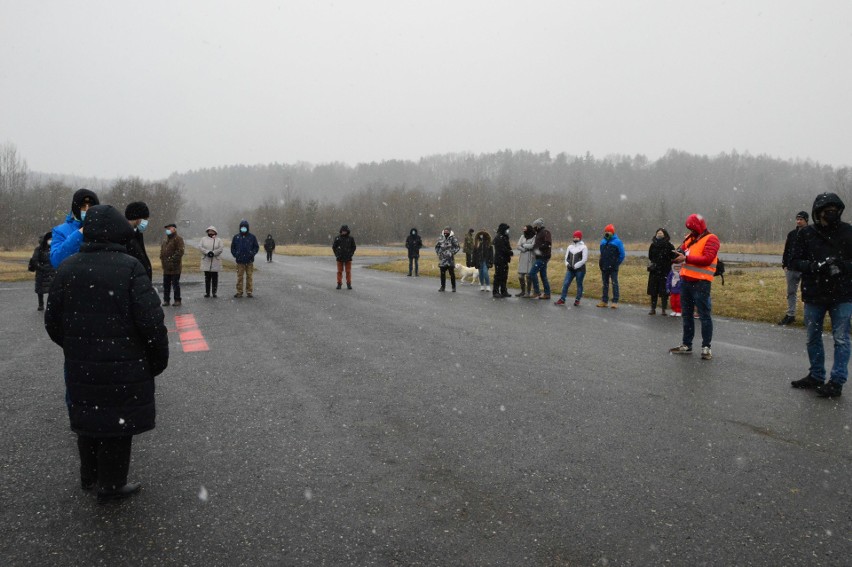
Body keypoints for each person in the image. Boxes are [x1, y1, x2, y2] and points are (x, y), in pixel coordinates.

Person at [44, 204, 169, 502]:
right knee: (117, 424)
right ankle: (112, 485)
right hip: (124, 365)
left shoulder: (68, 268)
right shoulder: (129, 268)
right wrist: (155, 360)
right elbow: (151, 322)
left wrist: (78, 347)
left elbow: (52, 322)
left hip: (81, 364)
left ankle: (89, 476)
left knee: (87, 419)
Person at [789, 193, 852, 398]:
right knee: (812, 337)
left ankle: (837, 381)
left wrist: (842, 266)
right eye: (827, 211)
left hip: (842, 294)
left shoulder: (848, 232)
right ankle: (816, 375)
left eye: (835, 211)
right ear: (818, 213)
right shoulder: (806, 234)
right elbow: (794, 261)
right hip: (815, 293)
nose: (831, 214)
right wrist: (815, 266)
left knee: (841, 339)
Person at [669, 214, 720, 360]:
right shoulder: (690, 238)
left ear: (698, 226)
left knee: (704, 315)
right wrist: (674, 254)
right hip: (686, 281)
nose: (690, 230)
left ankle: (706, 347)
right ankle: (686, 344)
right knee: (687, 314)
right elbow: (681, 251)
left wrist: (686, 258)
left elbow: (707, 259)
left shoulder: (712, 239)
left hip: (701, 282)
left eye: (692, 227)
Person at [51, 188, 99, 268]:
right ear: (76, 208)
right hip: (71, 278)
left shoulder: (102, 229)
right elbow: (57, 261)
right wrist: (80, 233)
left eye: (91, 206)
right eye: (83, 206)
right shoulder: (60, 231)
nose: (87, 210)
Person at [779, 211, 809, 325]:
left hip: (805, 269)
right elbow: (787, 250)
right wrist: (785, 264)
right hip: (791, 268)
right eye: (797, 219)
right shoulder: (792, 234)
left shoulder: (812, 233)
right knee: (791, 292)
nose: (798, 221)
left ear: (806, 220)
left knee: (807, 293)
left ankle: (808, 317)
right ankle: (790, 315)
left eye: (801, 219)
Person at [555, 230, 588, 306]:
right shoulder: (570, 247)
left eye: (577, 237)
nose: (575, 238)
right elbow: (566, 257)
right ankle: (562, 299)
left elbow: (584, 259)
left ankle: (577, 299)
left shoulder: (584, 247)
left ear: (580, 238)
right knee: (566, 283)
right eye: (574, 237)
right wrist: (567, 265)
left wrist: (575, 266)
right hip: (570, 269)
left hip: (580, 270)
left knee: (579, 284)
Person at [647, 228, 675, 315]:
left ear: (665, 235)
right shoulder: (653, 245)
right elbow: (650, 256)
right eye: (658, 232)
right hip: (655, 270)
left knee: (664, 291)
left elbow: (673, 256)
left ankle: (663, 309)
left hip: (665, 270)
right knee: (653, 291)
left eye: (661, 233)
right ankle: (653, 308)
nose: (659, 234)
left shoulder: (669, 245)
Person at [597, 224, 625, 308]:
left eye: (609, 231)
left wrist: (616, 264)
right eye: (606, 231)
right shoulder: (603, 242)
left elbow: (622, 254)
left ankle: (615, 301)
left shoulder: (617, 242)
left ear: (612, 232)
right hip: (604, 267)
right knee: (605, 284)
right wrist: (601, 263)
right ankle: (604, 301)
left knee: (614, 283)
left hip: (613, 267)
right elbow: (602, 254)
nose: (607, 233)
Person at [124, 201, 153, 281]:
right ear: (137, 219)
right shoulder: (126, 238)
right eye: (145, 219)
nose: (146, 222)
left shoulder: (137, 234)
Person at [28, 231, 56, 311]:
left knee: (52, 289)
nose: (50, 241)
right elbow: (35, 260)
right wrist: (41, 268)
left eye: (51, 239)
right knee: (40, 289)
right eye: (49, 239)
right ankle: (41, 304)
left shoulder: (53, 248)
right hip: (42, 272)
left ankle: (50, 305)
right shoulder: (38, 249)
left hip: (52, 271)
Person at [231, 220, 260, 298]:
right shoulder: (236, 237)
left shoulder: (252, 237)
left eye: (245, 227)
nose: (243, 228)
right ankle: (239, 291)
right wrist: (236, 255)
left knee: (249, 276)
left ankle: (249, 291)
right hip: (240, 261)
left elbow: (256, 247)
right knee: (240, 276)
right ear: (240, 228)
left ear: (247, 228)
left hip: (249, 261)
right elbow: (233, 247)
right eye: (242, 227)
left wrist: (252, 253)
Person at [160, 223, 185, 307]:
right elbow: (162, 251)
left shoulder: (178, 239)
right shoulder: (165, 241)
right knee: (166, 285)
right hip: (166, 267)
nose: (167, 230)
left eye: (169, 228)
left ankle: (177, 300)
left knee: (175, 284)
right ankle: (166, 300)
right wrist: (162, 259)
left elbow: (180, 251)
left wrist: (172, 259)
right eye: (166, 229)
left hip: (175, 267)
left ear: (174, 229)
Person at [527, 218, 552, 299]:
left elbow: (548, 243)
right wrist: (532, 248)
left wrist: (538, 248)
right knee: (543, 275)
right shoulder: (538, 233)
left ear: (538, 226)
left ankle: (537, 292)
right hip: (540, 257)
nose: (534, 227)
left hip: (543, 257)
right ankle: (547, 293)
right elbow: (536, 245)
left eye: (535, 226)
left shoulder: (545, 232)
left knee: (532, 273)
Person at [199, 226, 223, 298]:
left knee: (215, 278)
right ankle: (207, 292)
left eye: (212, 231)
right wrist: (207, 252)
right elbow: (200, 247)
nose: (211, 232)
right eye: (209, 231)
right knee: (207, 278)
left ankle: (214, 292)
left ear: (215, 232)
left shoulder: (219, 240)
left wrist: (214, 253)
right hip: (206, 260)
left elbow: (221, 248)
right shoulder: (203, 239)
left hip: (215, 260)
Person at [332, 225, 357, 290]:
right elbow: (334, 247)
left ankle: (349, 284)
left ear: (347, 231)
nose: (344, 232)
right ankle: (339, 284)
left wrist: (351, 254)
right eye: (343, 231)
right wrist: (337, 254)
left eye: (345, 231)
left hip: (348, 258)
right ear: (341, 231)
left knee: (348, 271)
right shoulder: (337, 238)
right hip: (339, 258)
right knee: (339, 271)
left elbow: (354, 247)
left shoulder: (351, 238)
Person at [435, 227, 460, 292]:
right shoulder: (441, 238)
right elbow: (437, 246)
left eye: (447, 231)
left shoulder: (453, 238)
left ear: (449, 232)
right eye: (445, 231)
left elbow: (457, 247)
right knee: (442, 274)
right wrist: (438, 253)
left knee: (452, 274)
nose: (446, 233)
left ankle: (453, 287)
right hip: (442, 260)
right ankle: (442, 287)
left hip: (450, 260)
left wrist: (452, 252)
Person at [492, 223, 513, 298]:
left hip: (504, 260)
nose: (508, 231)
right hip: (499, 259)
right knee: (498, 276)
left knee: (504, 276)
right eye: (506, 229)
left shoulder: (505, 237)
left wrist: (509, 251)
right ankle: (495, 291)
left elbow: (507, 246)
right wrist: (509, 252)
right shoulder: (499, 237)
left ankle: (503, 291)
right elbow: (502, 248)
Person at [515, 225, 536, 297]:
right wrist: (524, 248)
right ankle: (522, 291)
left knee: (528, 276)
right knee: (520, 276)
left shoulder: (534, 237)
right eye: (523, 229)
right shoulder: (522, 236)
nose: (524, 231)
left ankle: (528, 292)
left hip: (530, 258)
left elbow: (533, 246)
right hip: (523, 257)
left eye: (525, 229)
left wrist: (524, 245)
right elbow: (518, 246)